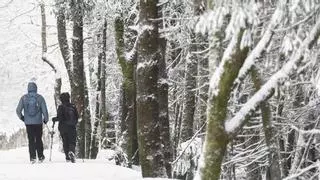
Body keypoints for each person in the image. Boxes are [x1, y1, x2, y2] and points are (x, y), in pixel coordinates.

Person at [16, 82, 49, 164]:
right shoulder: (40, 98)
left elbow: (18, 110)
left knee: (31, 140)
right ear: (36, 88)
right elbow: (44, 110)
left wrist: (22, 118)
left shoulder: (24, 98)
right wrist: (46, 119)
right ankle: (40, 156)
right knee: (38, 139)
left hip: (28, 123)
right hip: (38, 122)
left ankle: (32, 158)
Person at [53, 92, 78, 163]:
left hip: (63, 127)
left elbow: (59, 118)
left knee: (65, 141)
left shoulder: (61, 107)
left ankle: (67, 156)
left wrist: (54, 119)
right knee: (72, 141)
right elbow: (77, 117)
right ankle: (71, 151)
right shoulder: (73, 106)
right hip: (72, 127)